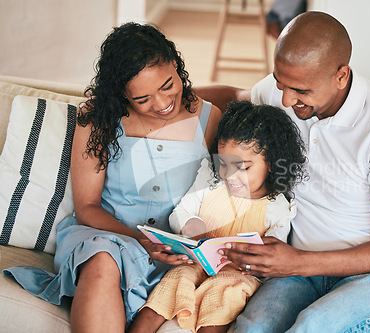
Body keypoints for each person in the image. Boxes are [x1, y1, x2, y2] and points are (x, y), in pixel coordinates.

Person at [197, 11, 370, 332]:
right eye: (281, 84)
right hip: (301, 272)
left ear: (341, 76)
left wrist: (298, 262)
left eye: (302, 91)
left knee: (314, 325)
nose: (287, 100)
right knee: (252, 328)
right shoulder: (280, 93)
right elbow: (234, 97)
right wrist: (162, 96)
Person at [4, 22, 222, 332]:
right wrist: (140, 240)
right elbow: (88, 207)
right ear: (122, 95)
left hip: (173, 250)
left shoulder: (209, 117)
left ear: (176, 63)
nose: (161, 104)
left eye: (167, 85)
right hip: (105, 237)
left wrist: (193, 239)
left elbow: (218, 196)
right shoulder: (98, 119)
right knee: (103, 260)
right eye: (143, 99)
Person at [129, 101, 307, 333]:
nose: (230, 176)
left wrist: (252, 260)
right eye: (223, 164)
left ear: (271, 165)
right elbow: (179, 213)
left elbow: (273, 255)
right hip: (196, 262)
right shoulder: (211, 181)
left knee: (224, 293)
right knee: (174, 282)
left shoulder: (277, 207)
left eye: (242, 167)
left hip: (237, 275)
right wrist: (189, 224)